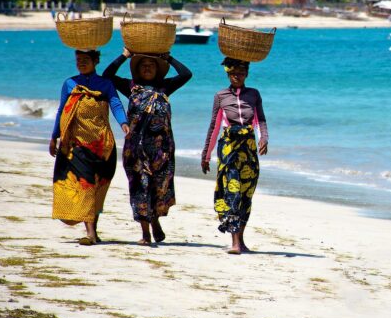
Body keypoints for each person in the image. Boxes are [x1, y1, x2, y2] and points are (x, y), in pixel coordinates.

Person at [103, 48, 192, 245]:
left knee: (159, 189)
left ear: (158, 70)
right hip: (136, 149)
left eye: (151, 65)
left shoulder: (165, 87)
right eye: (143, 65)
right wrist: (124, 55)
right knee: (139, 187)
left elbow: (186, 74)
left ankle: (155, 220)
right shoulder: (131, 87)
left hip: (162, 150)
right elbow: (107, 75)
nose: (147, 68)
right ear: (137, 70)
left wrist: (169, 58)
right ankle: (145, 233)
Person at [51, 50, 129, 245]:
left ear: (95, 61)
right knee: (84, 185)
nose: (81, 64)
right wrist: (54, 136)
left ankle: (93, 230)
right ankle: (90, 233)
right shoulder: (70, 83)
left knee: (97, 188)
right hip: (76, 144)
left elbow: (116, 104)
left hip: (102, 145)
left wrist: (124, 123)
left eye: (85, 60)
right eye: (78, 60)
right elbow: (62, 110)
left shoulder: (105, 84)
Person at [201, 58, 268, 254]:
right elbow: (214, 126)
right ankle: (235, 242)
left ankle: (241, 240)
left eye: (240, 73)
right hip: (229, 149)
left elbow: (261, 119)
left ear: (246, 74)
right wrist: (206, 155)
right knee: (232, 191)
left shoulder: (254, 94)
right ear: (228, 75)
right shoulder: (220, 96)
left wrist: (264, 137)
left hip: (248, 150)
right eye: (232, 73)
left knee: (246, 194)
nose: (236, 76)